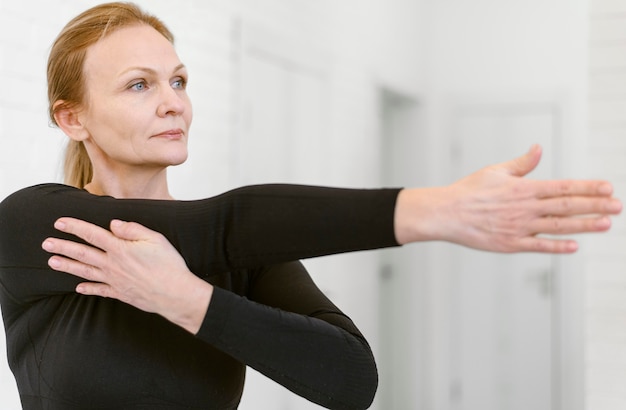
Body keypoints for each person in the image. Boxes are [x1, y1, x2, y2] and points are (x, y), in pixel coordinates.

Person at [0, 2, 621, 410]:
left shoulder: (239, 260)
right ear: (71, 117)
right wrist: (435, 210)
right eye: (140, 84)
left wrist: (190, 301)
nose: (174, 102)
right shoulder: (37, 227)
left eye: (179, 80)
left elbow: (352, 382)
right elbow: (225, 222)